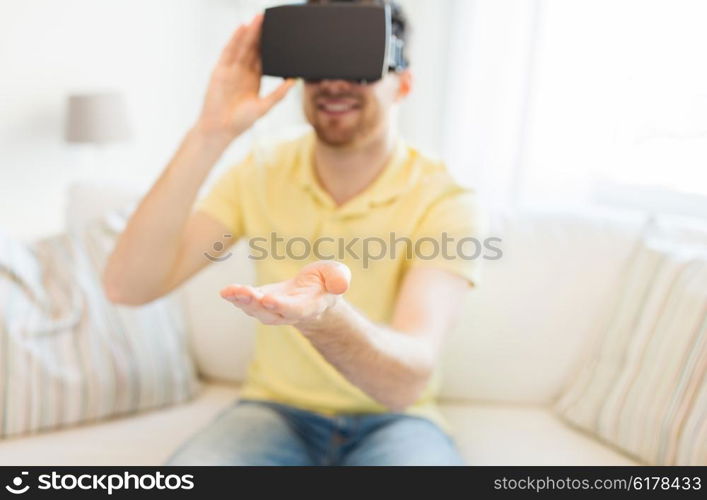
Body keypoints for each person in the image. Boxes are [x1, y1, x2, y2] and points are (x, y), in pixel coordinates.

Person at [104, 0, 485, 466]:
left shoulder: (445, 199)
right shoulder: (260, 173)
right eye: (319, 63)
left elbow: (403, 383)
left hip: (396, 420)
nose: (334, 82)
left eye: (359, 63)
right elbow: (128, 285)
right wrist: (212, 132)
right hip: (273, 413)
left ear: (402, 83)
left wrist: (322, 317)